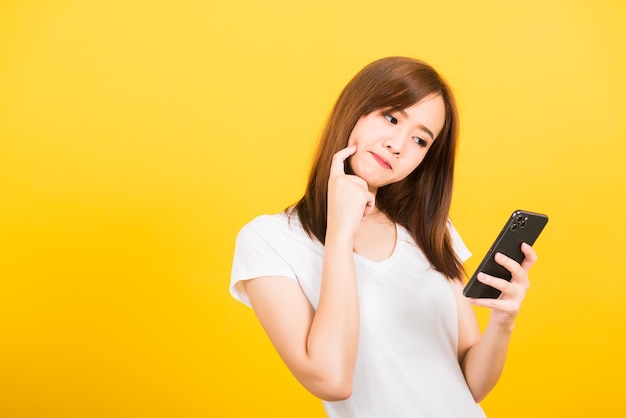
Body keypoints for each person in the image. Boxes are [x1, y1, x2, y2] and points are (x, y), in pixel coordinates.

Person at [229, 56, 537, 417]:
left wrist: (503, 322)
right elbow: (331, 380)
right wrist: (341, 231)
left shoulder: (429, 230)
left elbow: (470, 386)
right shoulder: (269, 240)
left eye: (421, 140)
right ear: (355, 109)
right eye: (391, 118)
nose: (398, 145)